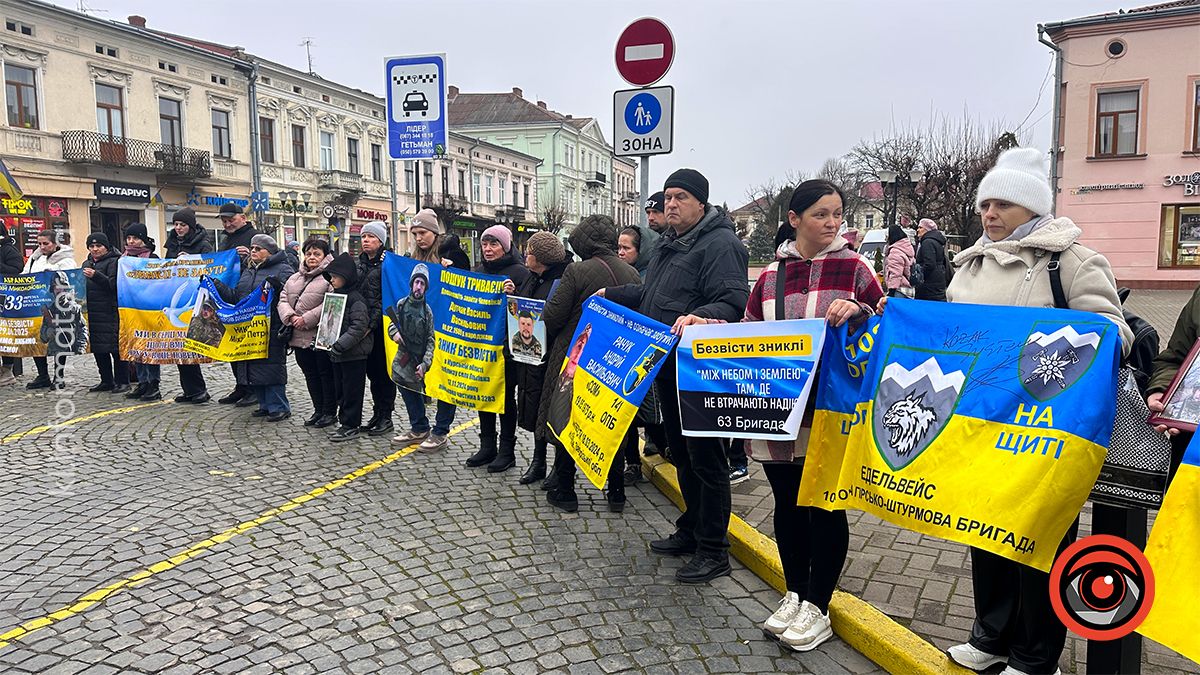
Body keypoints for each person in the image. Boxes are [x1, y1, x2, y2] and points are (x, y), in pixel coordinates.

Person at [928, 148, 1132, 675]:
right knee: (984, 529)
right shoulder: (968, 264)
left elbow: (1116, 334)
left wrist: (1045, 352)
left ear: (1033, 208)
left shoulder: (1073, 261)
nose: (989, 214)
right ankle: (991, 635)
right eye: (985, 204)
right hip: (977, 423)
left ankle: (1037, 656)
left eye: (1003, 204)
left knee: (1041, 541)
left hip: (1044, 430)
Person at [727, 180, 884, 652]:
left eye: (837, 214)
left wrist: (858, 308)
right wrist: (710, 329)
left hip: (830, 409)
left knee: (824, 505)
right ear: (794, 219)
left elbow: (885, 316)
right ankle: (794, 593)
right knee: (788, 505)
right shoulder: (772, 275)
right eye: (820, 214)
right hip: (776, 409)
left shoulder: (855, 266)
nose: (832, 222)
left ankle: (820, 605)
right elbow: (749, 333)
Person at [604, 168, 749, 584]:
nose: (671, 204)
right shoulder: (671, 242)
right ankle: (692, 527)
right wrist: (610, 295)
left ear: (701, 203)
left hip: (699, 369)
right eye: (668, 197)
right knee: (682, 456)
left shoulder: (720, 244)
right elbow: (652, 298)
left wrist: (702, 316)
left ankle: (714, 549)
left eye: (681, 197)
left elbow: (734, 300)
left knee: (707, 461)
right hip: (667, 366)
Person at [541, 216, 641, 512]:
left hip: (577, 354)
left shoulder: (577, 270)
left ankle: (565, 490)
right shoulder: (632, 273)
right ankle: (616, 493)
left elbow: (553, 317)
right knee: (610, 423)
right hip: (615, 359)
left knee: (567, 418)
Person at [464, 224, 530, 473]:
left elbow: (529, 311)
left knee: (505, 399)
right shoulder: (479, 271)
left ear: (506, 246)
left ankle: (507, 450)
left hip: (507, 348)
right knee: (484, 394)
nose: (488, 249)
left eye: (494, 244)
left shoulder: (519, 272)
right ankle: (487, 445)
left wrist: (515, 295)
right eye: (484, 244)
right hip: (482, 346)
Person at [212, 234, 295, 422]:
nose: (254, 252)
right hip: (249, 328)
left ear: (270, 251)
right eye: (252, 248)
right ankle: (264, 405)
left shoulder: (282, 268)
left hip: (271, 326)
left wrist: (279, 286)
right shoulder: (248, 271)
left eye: (258, 249)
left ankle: (279, 406)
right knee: (253, 367)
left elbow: (292, 294)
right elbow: (238, 297)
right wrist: (216, 286)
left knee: (271, 368)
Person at [509, 230, 569, 485]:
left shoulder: (562, 280)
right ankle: (538, 461)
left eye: (530, 252)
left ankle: (556, 467)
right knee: (534, 408)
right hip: (530, 355)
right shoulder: (532, 278)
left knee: (552, 411)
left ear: (541, 258)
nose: (525, 255)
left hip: (552, 355)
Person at [278, 238, 337, 428]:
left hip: (320, 335)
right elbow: (283, 299)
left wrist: (307, 319)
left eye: (317, 254)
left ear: (325, 256)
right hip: (298, 336)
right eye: (309, 253)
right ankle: (318, 410)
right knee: (310, 375)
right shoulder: (294, 278)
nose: (312, 257)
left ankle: (329, 412)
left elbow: (332, 302)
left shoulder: (330, 276)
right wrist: (291, 317)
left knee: (325, 375)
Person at [387, 263, 445, 449]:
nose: (418, 286)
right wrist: (394, 333)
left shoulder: (427, 312)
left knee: (416, 391)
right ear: (411, 284)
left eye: (422, 283)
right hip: (402, 359)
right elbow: (391, 323)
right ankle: (418, 426)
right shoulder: (402, 304)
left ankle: (421, 427)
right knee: (404, 389)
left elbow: (430, 340)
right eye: (416, 282)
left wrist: (425, 364)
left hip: (417, 360)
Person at [322, 252, 373, 442]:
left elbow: (358, 327)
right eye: (330, 277)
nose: (332, 281)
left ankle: (351, 424)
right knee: (341, 390)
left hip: (353, 354)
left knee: (352, 391)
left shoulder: (356, 299)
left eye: (335, 277)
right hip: (338, 352)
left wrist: (340, 345)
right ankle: (345, 421)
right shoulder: (335, 295)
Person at [165, 207, 214, 404]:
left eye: (182, 224)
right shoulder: (172, 243)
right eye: (176, 224)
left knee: (192, 345)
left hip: (196, 297)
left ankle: (199, 389)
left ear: (190, 226)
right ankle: (189, 389)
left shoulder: (203, 244)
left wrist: (192, 261)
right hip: (178, 293)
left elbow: (210, 266)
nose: (178, 228)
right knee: (179, 346)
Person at [216, 202, 260, 405]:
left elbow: (267, 259)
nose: (227, 224)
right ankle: (240, 385)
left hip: (248, 297)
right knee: (232, 343)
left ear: (242, 217)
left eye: (231, 220)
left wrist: (248, 256)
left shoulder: (254, 236)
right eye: (224, 221)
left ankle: (253, 387)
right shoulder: (226, 240)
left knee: (247, 345)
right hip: (229, 296)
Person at [21, 230, 78, 389]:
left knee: (58, 341)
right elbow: (26, 274)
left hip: (58, 305)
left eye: (46, 243)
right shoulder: (35, 258)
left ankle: (59, 376)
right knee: (38, 339)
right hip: (37, 303)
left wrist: (52, 274)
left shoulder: (66, 260)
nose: (42, 247)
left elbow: (68, 280)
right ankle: (42, 375)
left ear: (55, 243)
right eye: (39, 243)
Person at [356, 221, 397, 436]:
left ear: (381, 241)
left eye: (371, 237)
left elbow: (385, 298)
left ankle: (386, 416)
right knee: (372, 373)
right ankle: (376, 413)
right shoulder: (360, 264)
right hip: (363, 326)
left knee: (383, 374)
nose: (366, 241)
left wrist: (370, 325)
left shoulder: (388, 264)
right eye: (363, 237)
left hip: (380, 328)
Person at [81, 233, 127, 393]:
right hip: (93, 312)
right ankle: (106, 380)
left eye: (98, 246)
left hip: (110, 311)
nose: (95, 249)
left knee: (115, 349)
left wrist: (97, 276)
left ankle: (123, 381)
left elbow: (114, 285)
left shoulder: (115, 261)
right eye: (91, 246)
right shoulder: (86, 263)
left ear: (106, 247)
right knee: (99, 348)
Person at [121, 223, 162, 400]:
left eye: (135, 238)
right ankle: (142, 382)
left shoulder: (152, 257)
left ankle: (153, 384)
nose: (131, 241)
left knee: (150, 346)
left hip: (149, 308)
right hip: (131, 308)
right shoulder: (123, 259)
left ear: (143, 239)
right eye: (129, 238)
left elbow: (160, 281)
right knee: (136, 346)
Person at [42, 271, 87, 387]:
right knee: (58, 351)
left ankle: (58, 378)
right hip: (56, 345)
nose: (59, 290)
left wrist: (81, 345)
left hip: (71, 342)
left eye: (61, 287)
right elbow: (43, 333)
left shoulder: (74, 308)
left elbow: (82, 327)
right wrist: (48, 333)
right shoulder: (50, 310)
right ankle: (56, 378)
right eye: (56, 287)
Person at [0, 222, 24, 385]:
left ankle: (8, 371)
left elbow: (16, 269)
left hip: (5, 300)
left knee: (6, 336)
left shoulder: (8, 249)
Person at [914, 218, 950, 301]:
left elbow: (929, 264)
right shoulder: (936, 241)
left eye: (920, 227)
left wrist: (919, 275)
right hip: (937, 281)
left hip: (928, 285)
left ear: (927, 230)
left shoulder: (927, 242)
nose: (918, 230)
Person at [883, 224, 915, 298]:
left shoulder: (895, 252)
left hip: (899, 290)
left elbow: (896, 273)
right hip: (909, 289)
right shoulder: (906, 248)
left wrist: (891, 291)